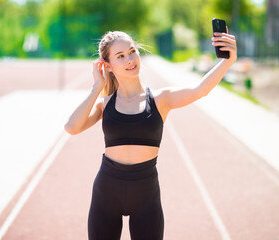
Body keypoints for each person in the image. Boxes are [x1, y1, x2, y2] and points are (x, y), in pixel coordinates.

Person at [64, 29, 237, 240]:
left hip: (146, 195)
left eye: (132, 51)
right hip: (106, 192)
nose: (130, 59)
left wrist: (227, 62)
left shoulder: (160, 99)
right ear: (107, 66)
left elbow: (200, 90)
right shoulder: (104, 103)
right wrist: (97, 87)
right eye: (120, 56)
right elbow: (72, 127)